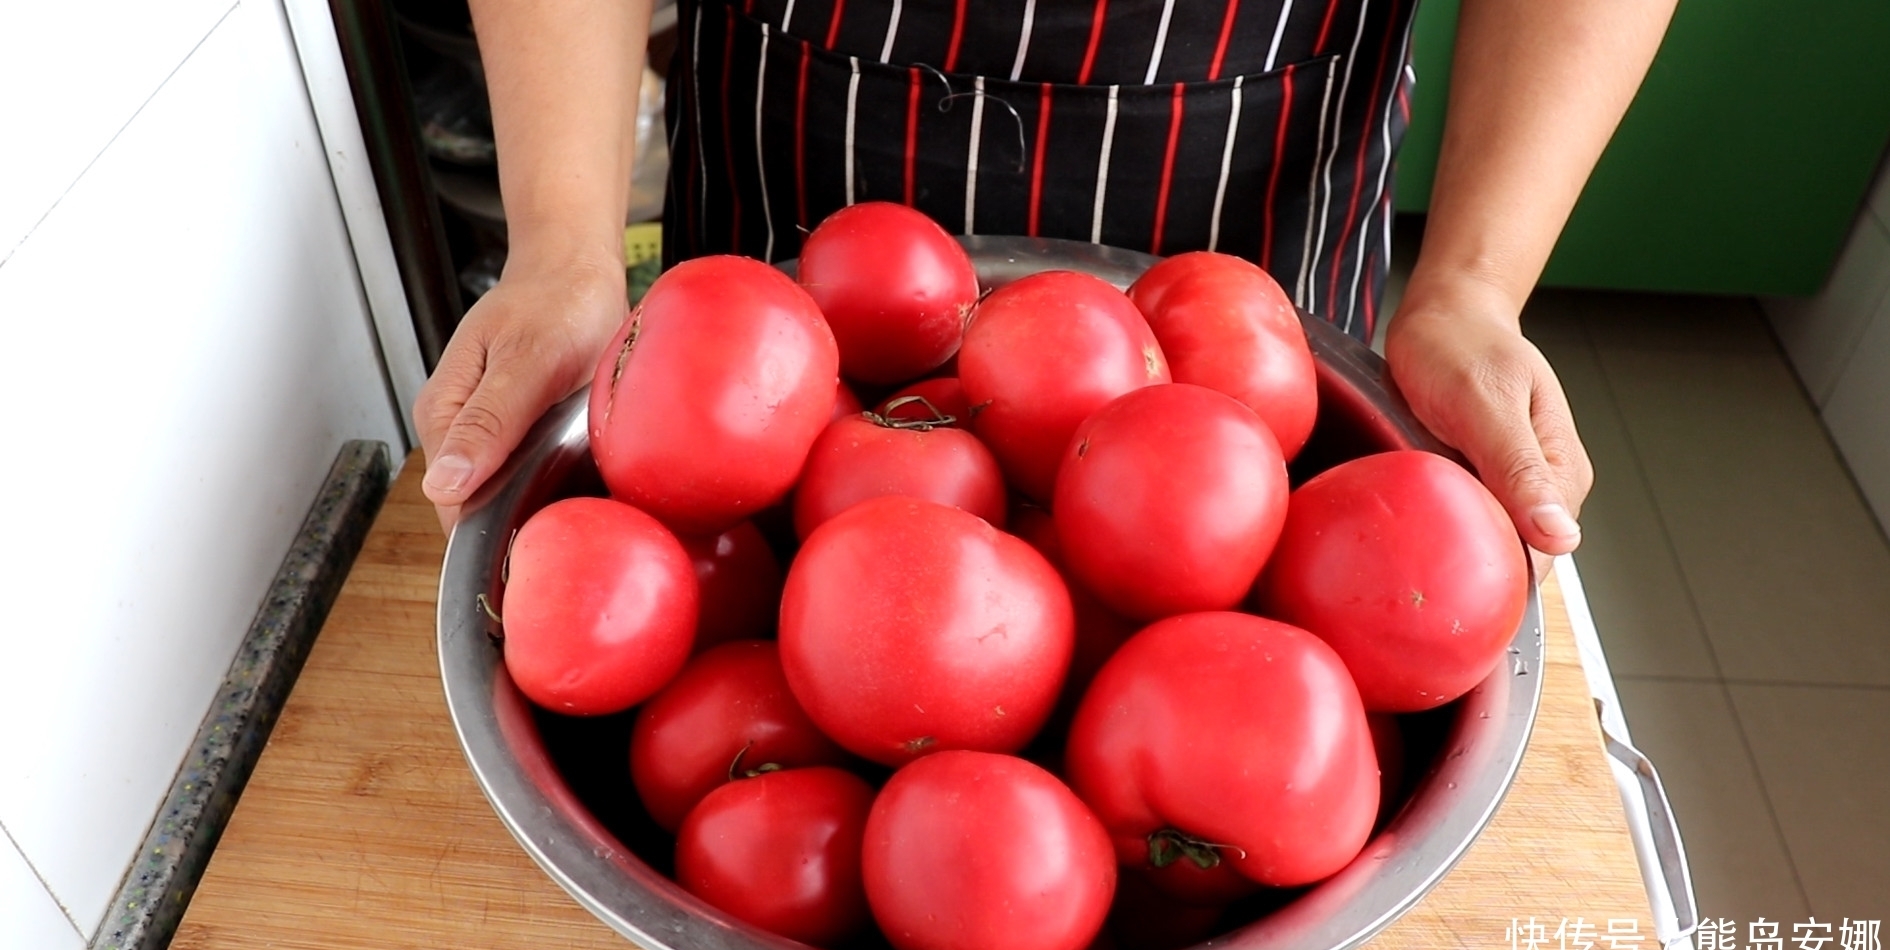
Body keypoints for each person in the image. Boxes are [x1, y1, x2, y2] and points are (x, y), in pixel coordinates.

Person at [414, 0, 1677, 574]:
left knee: (1251, 548)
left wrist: (1472, 285)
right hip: (795, 185)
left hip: (1256, 212)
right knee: (739, 552)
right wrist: (564, 244)